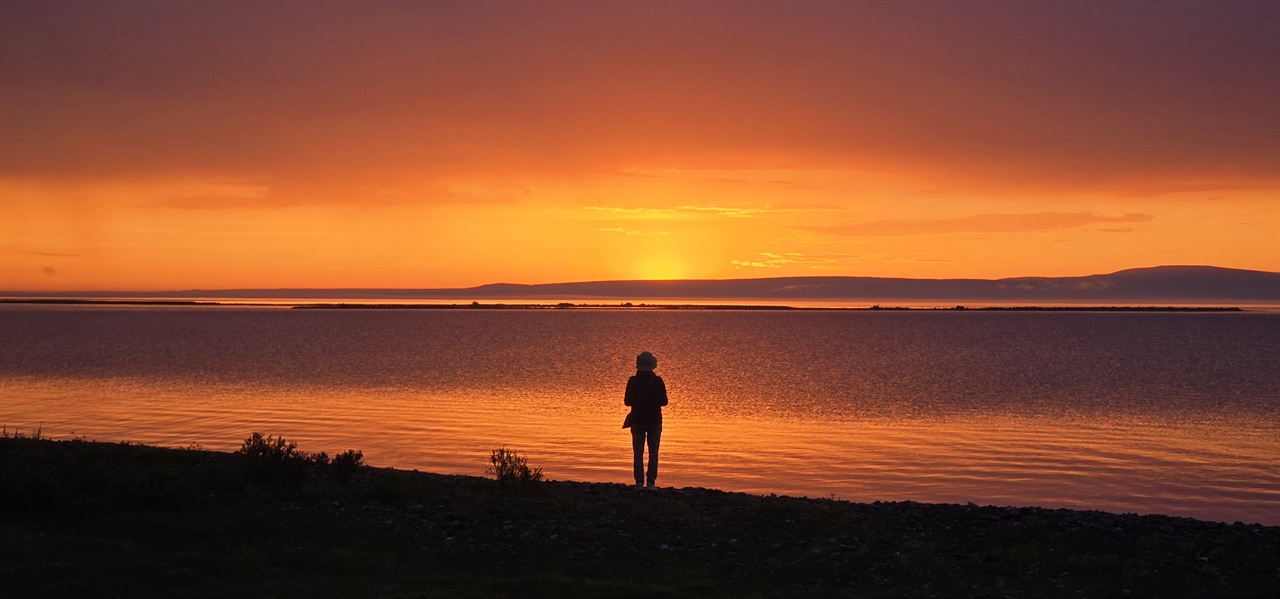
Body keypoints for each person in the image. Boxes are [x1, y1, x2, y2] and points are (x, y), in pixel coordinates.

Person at [623, 351, 668, 490]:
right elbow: (664, 402)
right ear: (652, 366)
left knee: (638, 452)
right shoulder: (658, 381)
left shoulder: (632, 381)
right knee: (653, 451)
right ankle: (651, 483)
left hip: (637, 420)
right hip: (655, 420)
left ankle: (638, 483)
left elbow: (627, 402)